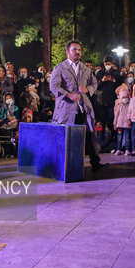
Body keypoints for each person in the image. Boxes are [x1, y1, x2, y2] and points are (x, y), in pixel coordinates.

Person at [49, 41, 107, 172]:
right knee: (66, 138)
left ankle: (95, 163)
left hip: (83, 108)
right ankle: (63, 167)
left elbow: (94, 83)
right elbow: (54, 86)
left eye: (79, 50)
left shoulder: (86, 69)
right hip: (66, 110)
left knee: (89, 134)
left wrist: (87, 89)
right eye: (74, 49)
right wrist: (69, 95)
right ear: (67, 52)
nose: (77, 52)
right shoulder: (60, 68)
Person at [95, 55, 120, 148]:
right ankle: (100, 141)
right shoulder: (99, 73)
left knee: (111, 121)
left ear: (112, 64)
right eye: (106, 64)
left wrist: (113, 80)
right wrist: (102, 80)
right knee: (102, 121)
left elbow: (119, 87)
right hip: (101, 101)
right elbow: (96, 86)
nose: (107, 65)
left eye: (109, 64)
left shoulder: (116, 73)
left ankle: (111, 140)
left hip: (112, 101)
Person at [112, 84, 131, 155]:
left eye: (126, 97)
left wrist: (130, 121)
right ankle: (118, 149)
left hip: (127, 125)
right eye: (123, 97)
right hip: (119, 124)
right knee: (119, 138)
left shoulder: (130, 105)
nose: (125, 98)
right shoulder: (119, 105)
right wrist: (115, 123)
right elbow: (116, 115)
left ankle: (127, 150)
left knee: (127, 138)